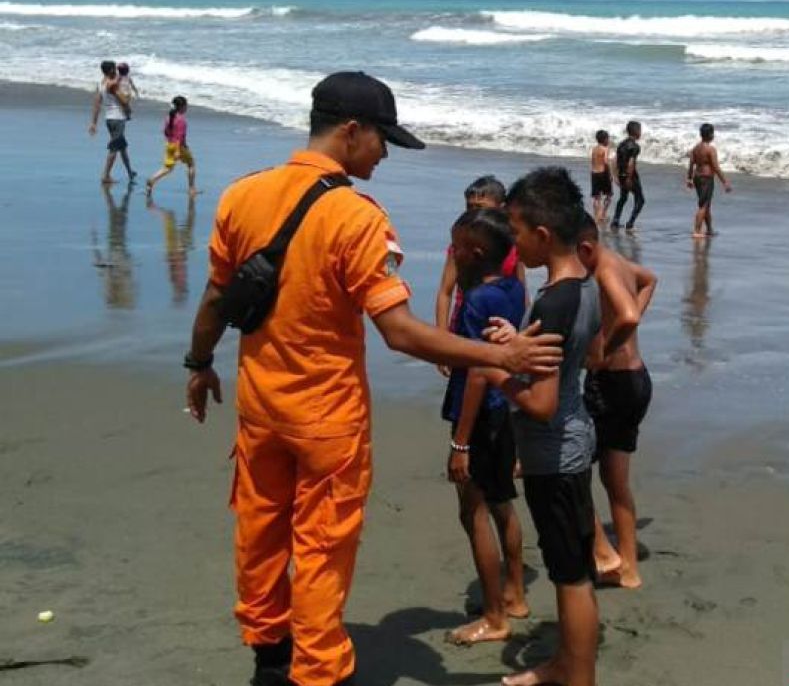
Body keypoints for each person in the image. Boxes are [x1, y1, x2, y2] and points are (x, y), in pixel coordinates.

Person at [183, 72, 564, 686]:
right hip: (327, 423)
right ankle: (317, 671)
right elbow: (402, 332)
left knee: (259, 534)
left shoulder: (240, 196)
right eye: (382, 139)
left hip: (260, 411)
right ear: (351, 132)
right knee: (321, 551)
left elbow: (216, 298)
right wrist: (502, 358)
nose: (384, 153)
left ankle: (269, 657)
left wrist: (198, 364)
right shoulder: (357, 218)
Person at [472, 167, 601, 686]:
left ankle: (579, 675)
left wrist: (495, 370)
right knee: (572, 566)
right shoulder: (582, 286)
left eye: (518, 231)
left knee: (570, 576)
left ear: (542, 236)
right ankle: (566, 664)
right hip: (575, 439)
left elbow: (542, 402)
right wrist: (516, 341)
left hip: (555, 451)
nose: (513, 243)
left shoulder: (551, 300)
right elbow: (573, 356)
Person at [442, 207, 530, 646]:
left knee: (472, 511)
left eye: (456, 248)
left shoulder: (477, 300)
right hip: (504, 409)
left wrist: (460, 442)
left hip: (477, 414)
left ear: (475, 253)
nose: (452, 255)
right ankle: (514, 592)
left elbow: (477, 371)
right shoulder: (513, 288)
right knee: (502, 503)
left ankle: (494, 616)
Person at [577, 216, 657, 589]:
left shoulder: (604, 268)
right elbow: (649, 279)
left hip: (612, 381)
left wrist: (603, 350)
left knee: (572, 468)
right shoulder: (620, 262)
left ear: (587, 248)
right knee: (614, 478)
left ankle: (604, 555)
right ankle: (628, 566)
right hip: (636, 379)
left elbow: (626, 315)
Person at [434, 175, 525, 377]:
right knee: (463, 381)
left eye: (481, 208)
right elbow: (445, 292)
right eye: (470, 208)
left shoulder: (513, 247)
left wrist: (522, 331)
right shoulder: (460, 248)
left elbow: (521, 288)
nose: (474, 214)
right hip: (465, 323)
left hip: (501, 327)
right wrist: (440, 341)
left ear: (502, 209)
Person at [88, 60, 136, 183]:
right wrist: (129, 98)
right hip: (118, 118)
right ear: (110, 71)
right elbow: (123, 101)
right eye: (114, 69)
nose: (116, 71)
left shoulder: (101, 83)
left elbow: (97, 104)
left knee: (122, 146)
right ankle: (106, 175)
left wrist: (93, 122)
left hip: (109, 118)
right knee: (114, 148)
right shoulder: (112, 85)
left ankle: (130, 172)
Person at [685, 122, 732, 238]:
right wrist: (724, 181)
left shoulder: (695, 149)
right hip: (706, 178)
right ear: (710, 135)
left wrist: (690, 178)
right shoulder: (710, 149)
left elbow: (691, 164)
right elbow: (715, 167)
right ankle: (696, 231)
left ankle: (710, 229)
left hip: (697, 177)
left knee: (706, 205)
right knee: (703, 205)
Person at [146, 96, 196, 196]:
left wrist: (170, 142)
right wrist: (180, 149)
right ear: (182, 107)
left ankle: (152, 180)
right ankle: (191, 189)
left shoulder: (169, 117)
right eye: (186, 105)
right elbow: (179, 137)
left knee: (167, 168)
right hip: (178, 147)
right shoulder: (181, 120)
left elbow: (166, 132)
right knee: (191, 164)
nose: (187, 107)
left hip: (169, 145)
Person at [610, 120, 645, 232]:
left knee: (623, 198)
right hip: (631, 176)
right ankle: (630, 224)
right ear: (636, 132)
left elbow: (615, 160)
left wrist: (615, 175)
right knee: (640, 199)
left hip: (621, 174)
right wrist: (630, 178)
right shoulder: (635, 146)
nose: (641, 133)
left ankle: (615, 221)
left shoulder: (621, 144)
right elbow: (631, 163)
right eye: (640, 130)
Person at [589, 130, 614, 223]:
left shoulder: (594, 149)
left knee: (596, 197)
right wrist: (610, 174)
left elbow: (592, 161)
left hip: (594, 173)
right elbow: (606, 162)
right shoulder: (605, 149)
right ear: (605, 139)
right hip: (603, 173)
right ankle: (603, 214)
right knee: (609, 195)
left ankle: (596, 216)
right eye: (608, 139)